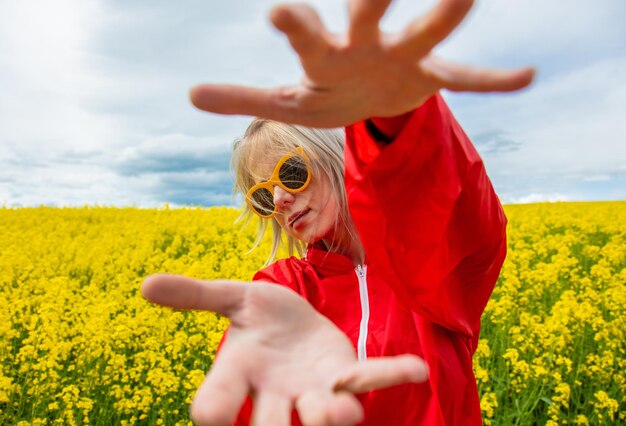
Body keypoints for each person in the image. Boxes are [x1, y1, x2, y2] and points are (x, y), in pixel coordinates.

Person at [141, 0, 535, 425]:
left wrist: (392, 110)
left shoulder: (436, 273)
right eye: (260, 196)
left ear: (336, 157)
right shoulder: (283, 290)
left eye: (291, 173)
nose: (278, 202)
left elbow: (451, 200)